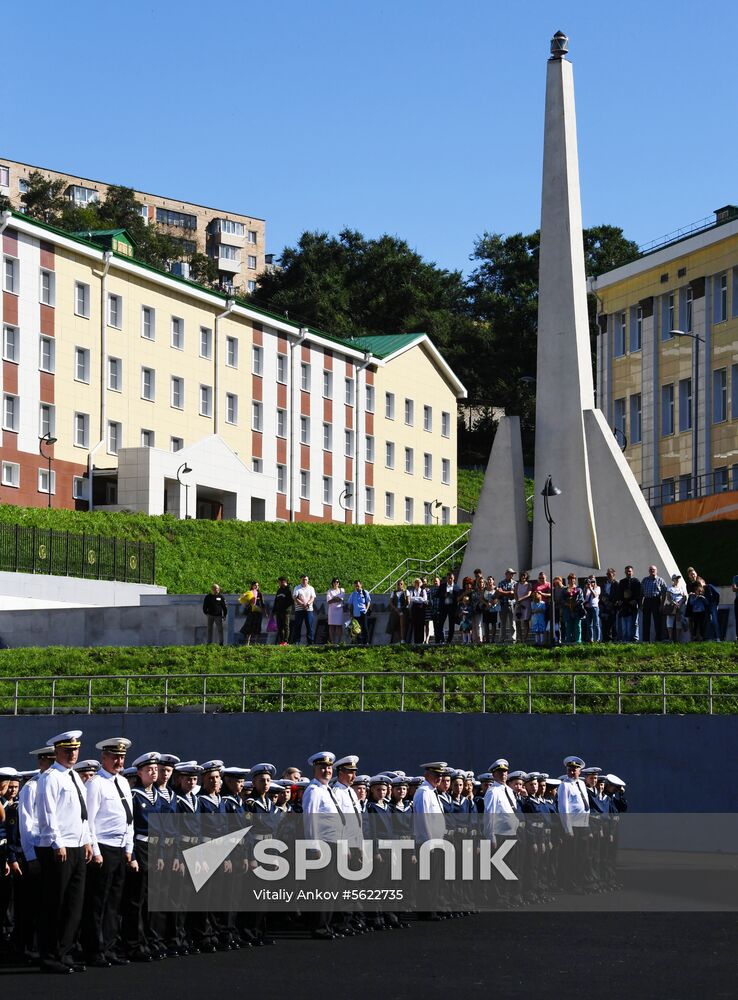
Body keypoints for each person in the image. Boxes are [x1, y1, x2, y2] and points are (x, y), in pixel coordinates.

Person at [36, 729, 93, 974]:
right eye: (67, 751)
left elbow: (82, 815)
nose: (72, 754)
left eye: (75, 750)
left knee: (73, 904)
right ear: (57, 751)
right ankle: (49, 956)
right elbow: (47, 814)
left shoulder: (74, 778)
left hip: (78, 846)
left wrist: (88, 840)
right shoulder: (50, 778)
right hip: (59, 848)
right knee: (55, 904)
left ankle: (64, 952)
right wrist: (57, 842)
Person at [83, 737, 136, 968]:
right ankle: (94, 949)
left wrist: (129, 848)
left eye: (122, 757)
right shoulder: (95, 783)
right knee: (98, 902)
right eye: (114, 757)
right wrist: (95, 850)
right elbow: (89, 821)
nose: (119, 760)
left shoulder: (123, 782)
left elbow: (129, 819)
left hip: (120, 848)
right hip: (103, 848)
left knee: (114, 901)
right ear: (103, 757)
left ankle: (110, 946)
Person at [640, 565, 667, 642]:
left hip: (656, 601)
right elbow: (641, 593)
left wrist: (662, 604)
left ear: (656, 571)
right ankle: (645, 640)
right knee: (646, 621)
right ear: (649, 571)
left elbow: (664, 593)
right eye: (651, 570)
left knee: (657, 621)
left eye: (654, 570)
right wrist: (641, 604)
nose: (652, 571)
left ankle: (658, 640)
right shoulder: (645, 580)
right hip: (647, 601)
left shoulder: (660, 580)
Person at [617, 566, 641, 642]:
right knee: (625, 624)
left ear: (632, 572)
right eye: (627, 571)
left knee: (635, 623)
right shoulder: (622, 582)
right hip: (624, 606)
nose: (628, 573)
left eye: (630, 571)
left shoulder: (636, 581)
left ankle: (635, 639)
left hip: (633, 605)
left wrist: (635, 601)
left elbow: (639, 593)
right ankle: (626, 640)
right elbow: (620, 594)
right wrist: (620, 601)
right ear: (625, 572)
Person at [435, 572, 460, 644]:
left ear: (454, 578)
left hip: (452, 608)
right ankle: (442, 640)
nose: (450, 579)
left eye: (451, 578)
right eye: (449, 578)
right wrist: (444, 594)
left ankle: (449, 641)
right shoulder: (442, 586)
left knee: (451, 625)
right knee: (440, 624)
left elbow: (458, 598)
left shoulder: (456, 587)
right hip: (443, 607)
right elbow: (437, 595)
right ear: (446, 578)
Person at [291, 575, 316, 645]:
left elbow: (313, 598)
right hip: (299, 610)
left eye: (306, 579)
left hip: (309, 610)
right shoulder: (297, 588)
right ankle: (297, 642)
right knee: (298, 626)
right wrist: (302, 604)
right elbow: (295, 598)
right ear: (300, 580)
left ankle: (310, 642)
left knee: (309, 626)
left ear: (308, 580)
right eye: (303, 579)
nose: (304, 581)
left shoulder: (311, 588)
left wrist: (307, 604)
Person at [662, 573, 686, 642]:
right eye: (676, 578)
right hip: (672, 606)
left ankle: (678, 639)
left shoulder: (682, 587)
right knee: (669, 621)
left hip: (680, 606)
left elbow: (684, 597)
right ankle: (670, 638)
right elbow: (668, 598)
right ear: (673, 579)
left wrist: (680, 603)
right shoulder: (670, 588)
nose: (677, 580)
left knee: (678, 621)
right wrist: (674, 603)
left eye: (678, 578)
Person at [346, 580, 371, 645]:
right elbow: (350, 604)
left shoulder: (365, 592)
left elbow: (368, 602)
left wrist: (366, 609)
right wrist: (351, 614)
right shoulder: (353, 594)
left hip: (363, 612)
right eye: (355, 586)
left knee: (365, 627)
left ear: (361, 585)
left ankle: (366, 642)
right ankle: (359, 642)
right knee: (357, 628)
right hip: (356, 614)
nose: (357, 587)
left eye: (358, 586)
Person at [561, 574, 585, 644]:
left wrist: (575, 603)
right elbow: (562, 600)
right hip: (567, 610)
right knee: (568, 626)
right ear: (568, 580)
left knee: (577, 625)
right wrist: (568, 604)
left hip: (577, 610)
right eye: (570, 579)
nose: (571, 580)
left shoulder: (579, 589)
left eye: (572, 579)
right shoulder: (564, 590)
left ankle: (578, 640)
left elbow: (582, 599)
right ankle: (568, 640)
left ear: (575, 580)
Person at [496, 569, 517, 643]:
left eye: (513, 574)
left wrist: (503, 592)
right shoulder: (501, 583)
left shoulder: (515, 583)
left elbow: (513, 594)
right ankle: (502, 638)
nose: (512, 575)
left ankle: (513, 638)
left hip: (512, 604)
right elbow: (499, 593)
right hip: (503, 604)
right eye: (511, 573)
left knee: (512, 622)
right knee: (502, 623)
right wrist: (508, 593)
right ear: (506, 574)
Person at [272, 577, 293, 646]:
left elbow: (292, 600)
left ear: (285, 581)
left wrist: (284, 606)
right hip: (278, 611)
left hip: (286, 611)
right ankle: (281, 641)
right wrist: (274, 610)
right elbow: (276, 601)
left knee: (286, 626)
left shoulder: (289, 589)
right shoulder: (279, 590)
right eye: (279, 582)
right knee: (280, 627)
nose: (279, 583)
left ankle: (286, 641)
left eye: (281, 582)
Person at [406, 578, 429, 645]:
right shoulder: (411, 591)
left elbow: (424, 600)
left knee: (421, 626)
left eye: (419, 582)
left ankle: (421, 641)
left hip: (421, 610)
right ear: (414, 584)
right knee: (415, 625)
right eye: (416, 582)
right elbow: (410, 599)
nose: (418, 584)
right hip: (414, 610)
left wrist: (416, 599)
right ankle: (416, 641)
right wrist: (419, 599)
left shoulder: (423, 590)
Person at [599, 568, 619, 643]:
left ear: (613, 574)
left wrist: (610, 601)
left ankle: (613, 640)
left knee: (612, 623)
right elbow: (601, 594)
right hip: (604, 606)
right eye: (607, 574)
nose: (608, 576)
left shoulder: (616, 583)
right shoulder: (604, 584)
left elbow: (617, 595)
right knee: (604, 623)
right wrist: (603, 600)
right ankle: (605, 640)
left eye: (609, 574)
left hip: (612, 606)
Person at [387, 579, 408, 643]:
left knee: (402, 625)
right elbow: (390, 602)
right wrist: (395, 609)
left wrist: (401, 608)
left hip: (403, 610)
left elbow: (408, 602)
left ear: (403, 584)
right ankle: (392, 640)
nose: (400, 585)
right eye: (398, 584)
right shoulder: (394, 592)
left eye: (401, 584)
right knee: (393, 625)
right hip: (395, 610)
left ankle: (402, 639)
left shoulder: (406, 592)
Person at [325, 578, 346, 645]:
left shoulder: (342, 590)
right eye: (334, 582)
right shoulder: (329, 591)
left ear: (339, 583)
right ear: (332, 583)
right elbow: (329, 601)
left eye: (337, 582)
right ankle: (332, 642)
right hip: (332, 610)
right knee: (331, 626)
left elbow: (341, 598)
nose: (336, 583)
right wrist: (336, 599)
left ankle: (339, 642)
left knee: (339, 626)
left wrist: (334, 599)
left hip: (339, 610)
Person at [515, 571, 532, 644]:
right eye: (522, 576)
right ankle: (520, 638)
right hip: (518, 604)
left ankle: (525, 638)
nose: (523, 577)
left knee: (525, 621)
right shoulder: (517, 584)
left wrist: (520, 599)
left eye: (524, 576)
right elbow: (515, 593)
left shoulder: (529, 585)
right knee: (517, 621)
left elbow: (529, 594)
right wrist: (517, 600)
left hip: (526, 604)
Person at [583, 576, 601, 643]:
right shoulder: (586, 589)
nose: (591, 583)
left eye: (592, 582)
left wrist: (590, 588)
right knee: (589, 624)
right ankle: (591, 639)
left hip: (594, 607)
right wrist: (586, 588)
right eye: (589, 582)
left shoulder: (598, 588)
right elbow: (584, 598)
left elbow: (595, 595)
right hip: (588, 608)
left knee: (596, 624)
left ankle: (598, 639)